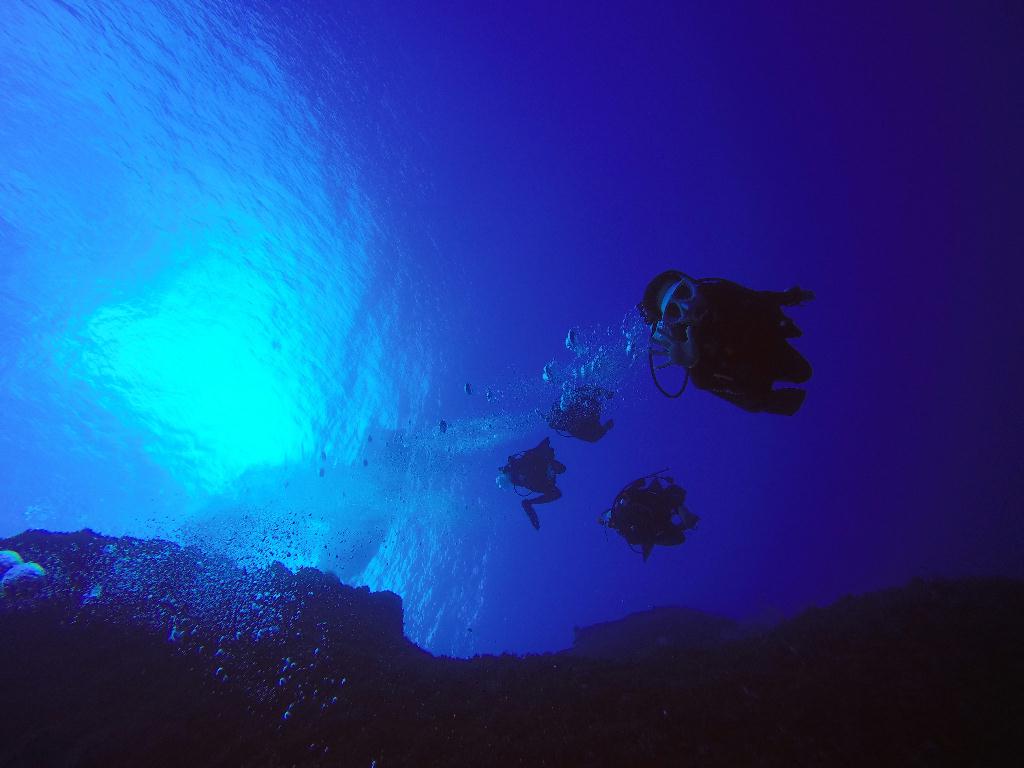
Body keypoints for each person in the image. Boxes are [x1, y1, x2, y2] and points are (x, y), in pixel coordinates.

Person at [640, 270, 813, 414]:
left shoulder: (719, 292)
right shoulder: (684, 342)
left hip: (762, 343)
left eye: (684, 292)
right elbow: (715, 386)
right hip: (743, 375)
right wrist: (694, 364)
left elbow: (757, 298)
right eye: (674, 311)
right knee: (762, 402)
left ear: (691, 283)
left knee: (804, 372)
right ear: (672, 321)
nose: (687, 306)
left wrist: (789, 297)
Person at [599, 473, 698, 560]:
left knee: (677, 537)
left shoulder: (622, 524)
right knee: (668, 500)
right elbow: (641, 483)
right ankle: (679, 511)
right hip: (658, 508)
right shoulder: (623, 503)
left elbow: (638, 539)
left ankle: (681, 519)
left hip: (658, 521)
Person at [497, 437, 566, 530]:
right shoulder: (535, 458)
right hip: (532, 476)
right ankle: (528, 503)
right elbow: (543, 445)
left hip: (532, 477)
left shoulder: (538, 462)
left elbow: (543, 444)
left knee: (555, 490)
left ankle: (528, 503)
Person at [545, 383, 615, 443]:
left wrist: (604, 392)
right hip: (588, 421)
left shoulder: (574, 399)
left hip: (582, 409)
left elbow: (587, 389)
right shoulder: (574, 428)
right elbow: (593, 438)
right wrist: (605, 428)